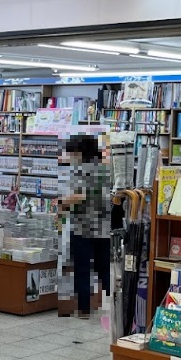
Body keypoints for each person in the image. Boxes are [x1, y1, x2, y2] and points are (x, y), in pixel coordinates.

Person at [57, 134, 112, 318]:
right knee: (104, 268)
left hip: (82, 227)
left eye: (73, 153)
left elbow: (79, 195)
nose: (71, 156)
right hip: (103, 227)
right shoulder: (105, 169)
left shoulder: (80, 169)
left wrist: (62, 202)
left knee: (82, 269)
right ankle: (114, 306)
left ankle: (84, 309)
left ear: (80, 152)